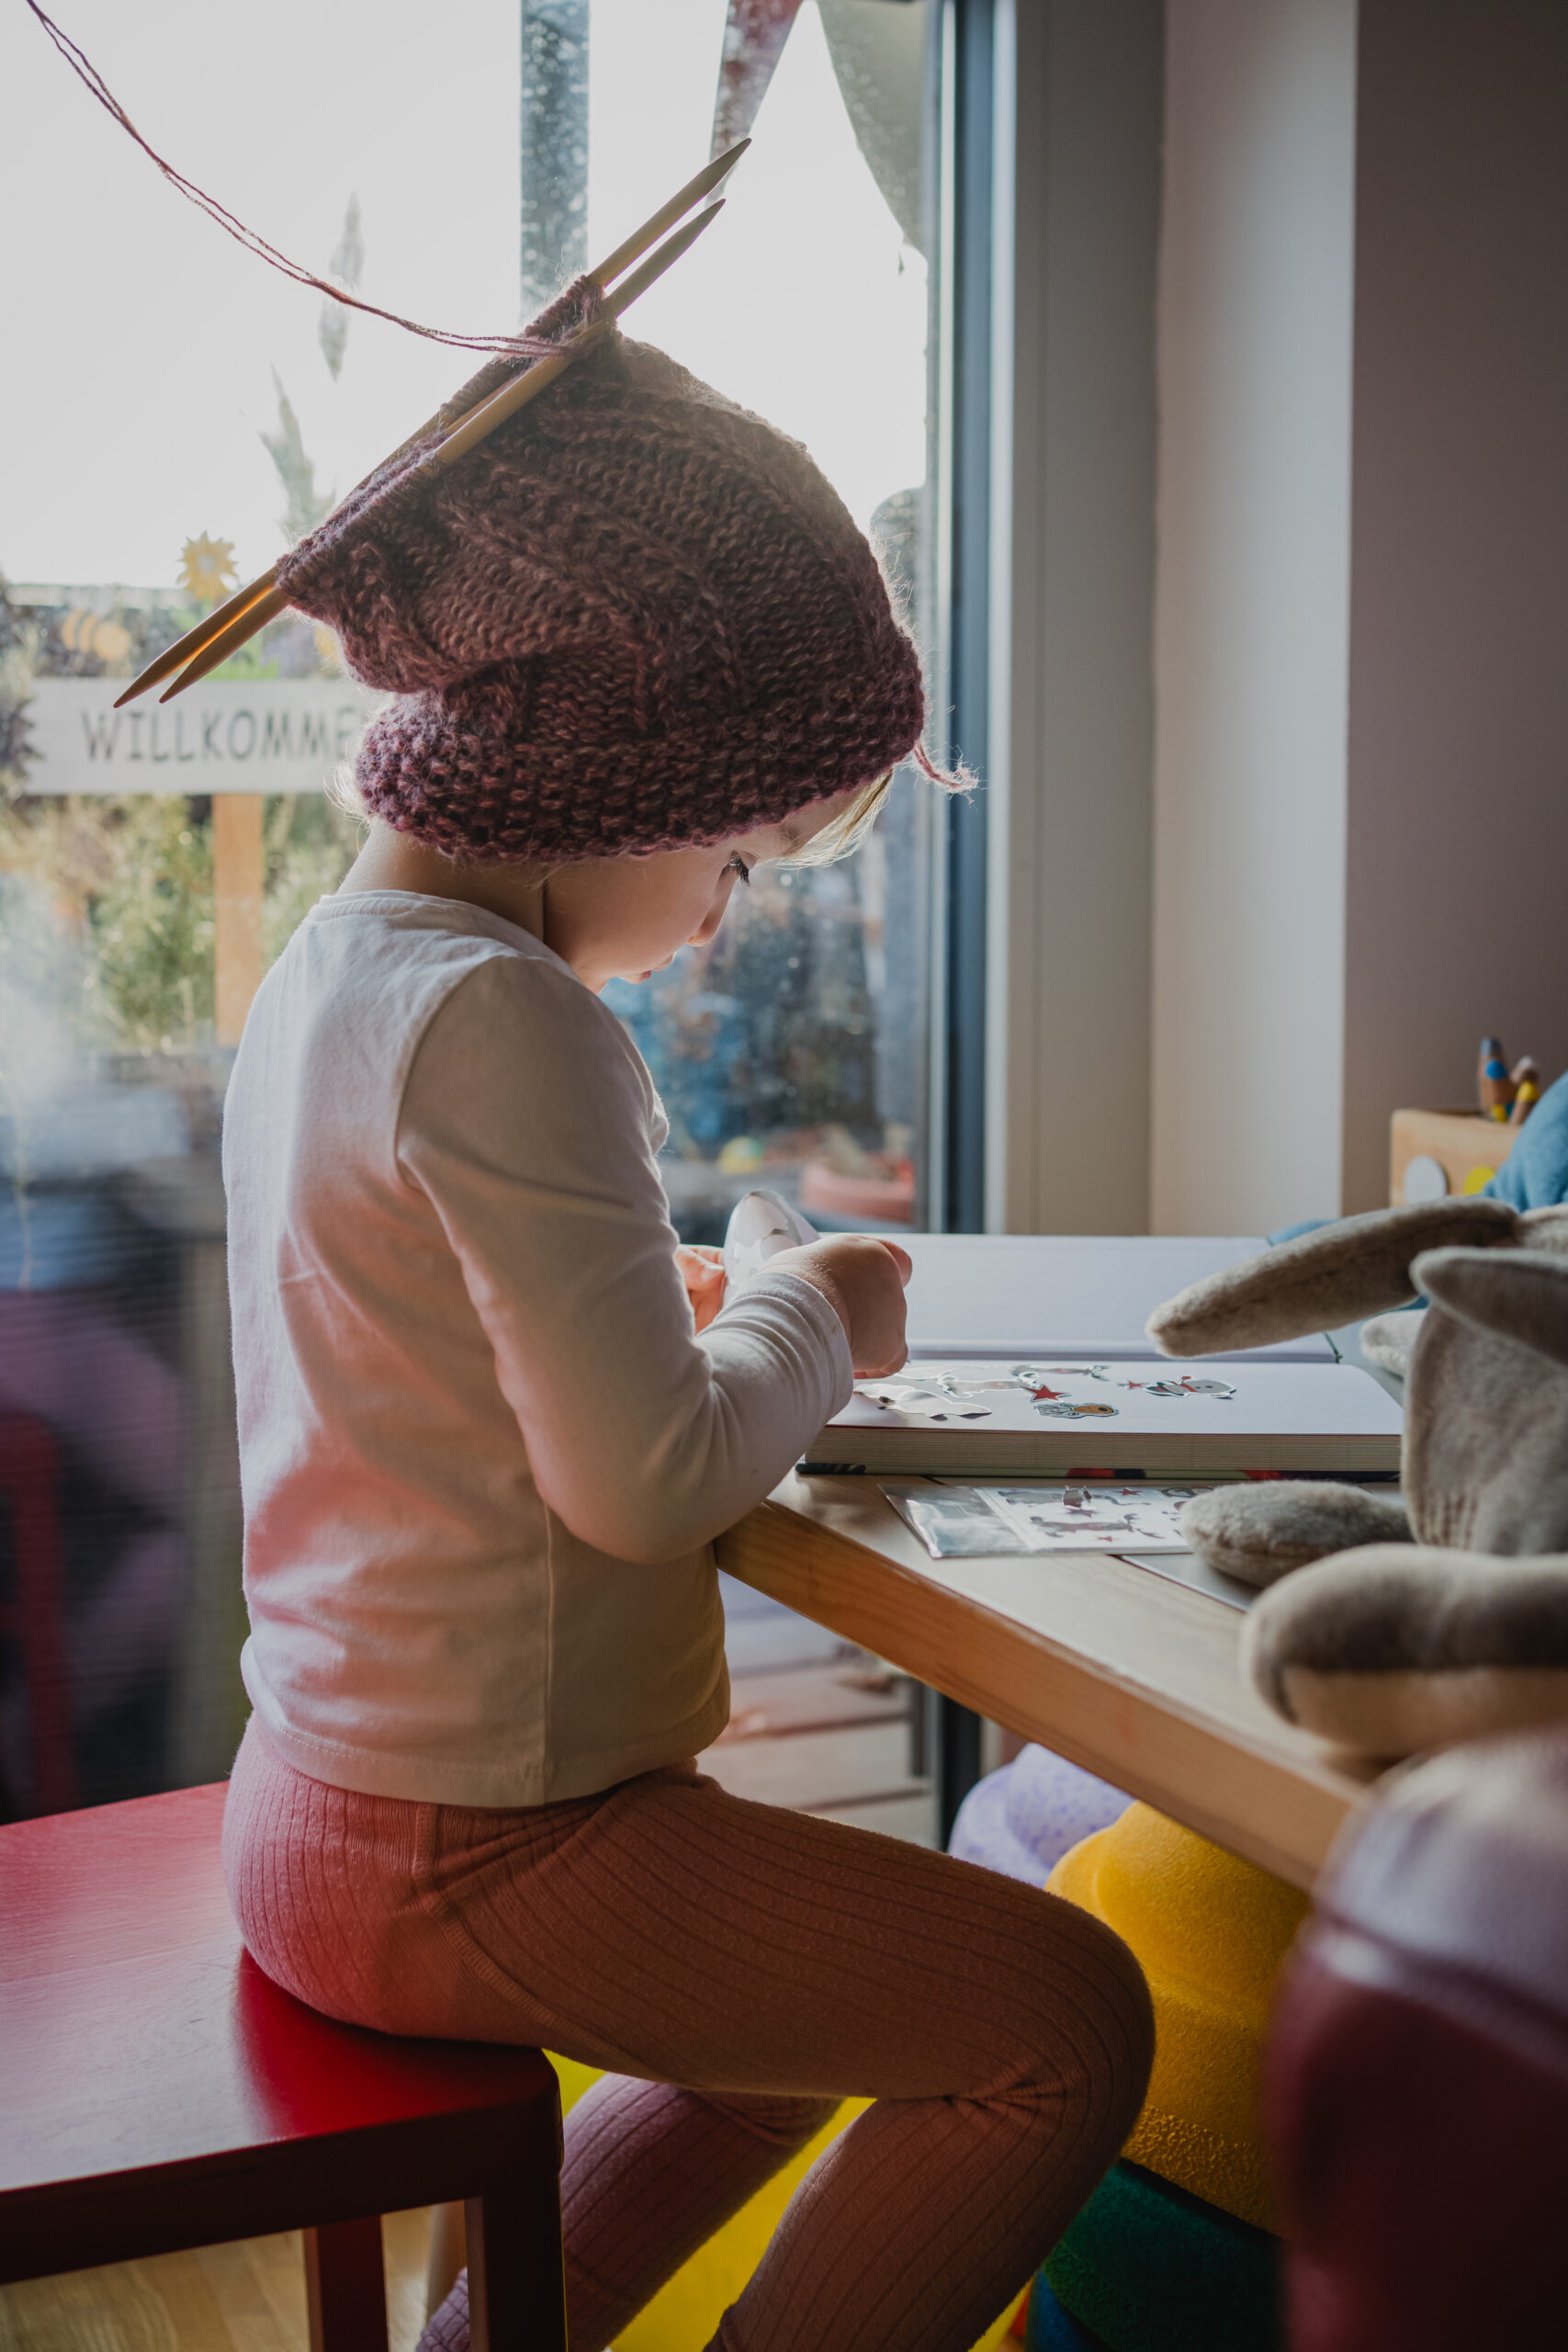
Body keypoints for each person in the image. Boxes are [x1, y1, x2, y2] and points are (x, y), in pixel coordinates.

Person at [220, 288, 1153, 2352]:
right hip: (481, 1843)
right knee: (1059, 2016)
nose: (730, 909)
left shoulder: (332, 977)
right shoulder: (503, 1015)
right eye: (737, 846)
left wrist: (655, 1299)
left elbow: (435, 1355)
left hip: (330, 1793)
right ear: (610, 775)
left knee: (777, 2022)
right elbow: (644, 1483)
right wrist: (819, 1302)